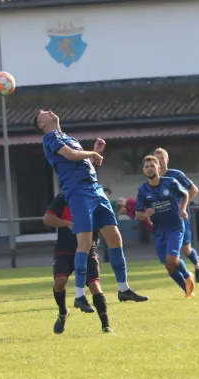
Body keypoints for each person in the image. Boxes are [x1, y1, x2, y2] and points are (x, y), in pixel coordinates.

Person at [36, 109, 147, 305]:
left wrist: (94, 154)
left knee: (114, 237)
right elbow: (70, 155)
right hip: (78, 192)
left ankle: (124, 289)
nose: (49, 111)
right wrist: (93, 152)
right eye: (43, 113)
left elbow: (79, 160)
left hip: (95, 190)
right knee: (85, 243)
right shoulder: (49, 137)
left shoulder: (68, 137)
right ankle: (79, 294)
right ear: (42, 125)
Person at [43, 193, 112, 334]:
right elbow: (47, 219)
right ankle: (63, 312)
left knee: (94, 284)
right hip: (64, 250)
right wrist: (66, 223)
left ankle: (106, 326)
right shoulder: (63, 197)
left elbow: (105, 220)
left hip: (88, 249)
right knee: (60, 281)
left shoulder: (95, 196)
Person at [136, 155, 195, 298]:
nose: (150, 169)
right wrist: (145, 214)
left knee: (172, 260)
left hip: (175, 227)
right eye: (147, 167)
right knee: (168, 266)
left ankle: (187, 275)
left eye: (152, 166)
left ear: (159, 167)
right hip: (159, 230)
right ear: (144, 170)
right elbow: (138, 214)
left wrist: (182, 209)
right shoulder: (143, 190)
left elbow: (186, 193)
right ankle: (187, 291)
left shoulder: (170, 182)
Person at [153, 148, 199, 283]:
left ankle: (197, 264)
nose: (159, 162)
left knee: (186, 250)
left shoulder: (176, 175)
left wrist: (182, 207)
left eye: (162, 159)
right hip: (164, 221)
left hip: (180, 218)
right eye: (156, 160)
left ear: (167, 160)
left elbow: (194, 189)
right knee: (170, 254)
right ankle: (186, 279)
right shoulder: (153, 179)